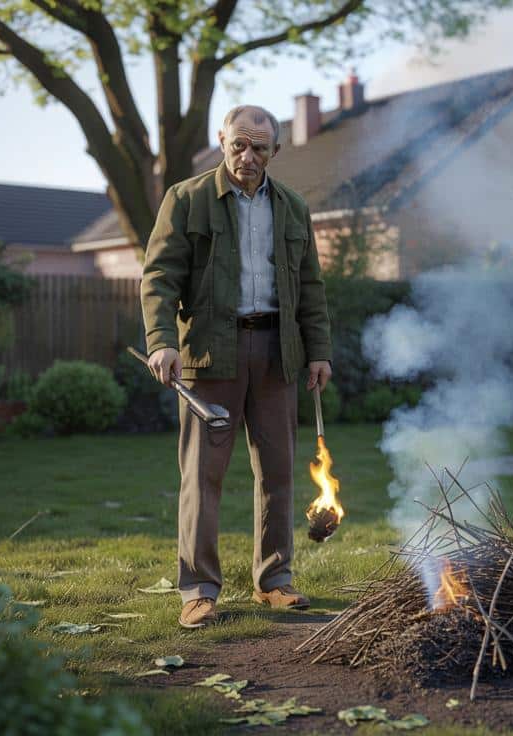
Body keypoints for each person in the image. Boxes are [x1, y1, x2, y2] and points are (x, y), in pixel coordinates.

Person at [140, 105, 333, 629]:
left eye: (260, 148)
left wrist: (318, 351)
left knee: (278, 473)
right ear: (221, 141)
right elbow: (158, 278)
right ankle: (198, 590)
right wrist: (161, 341)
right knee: (202, 477)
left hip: (278, 354)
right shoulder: (186, 198)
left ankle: (275, 580)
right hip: (210, 354)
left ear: (276, 149)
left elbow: (311, 288)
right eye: (239, 146)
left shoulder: (293, 207)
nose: (248, 157)